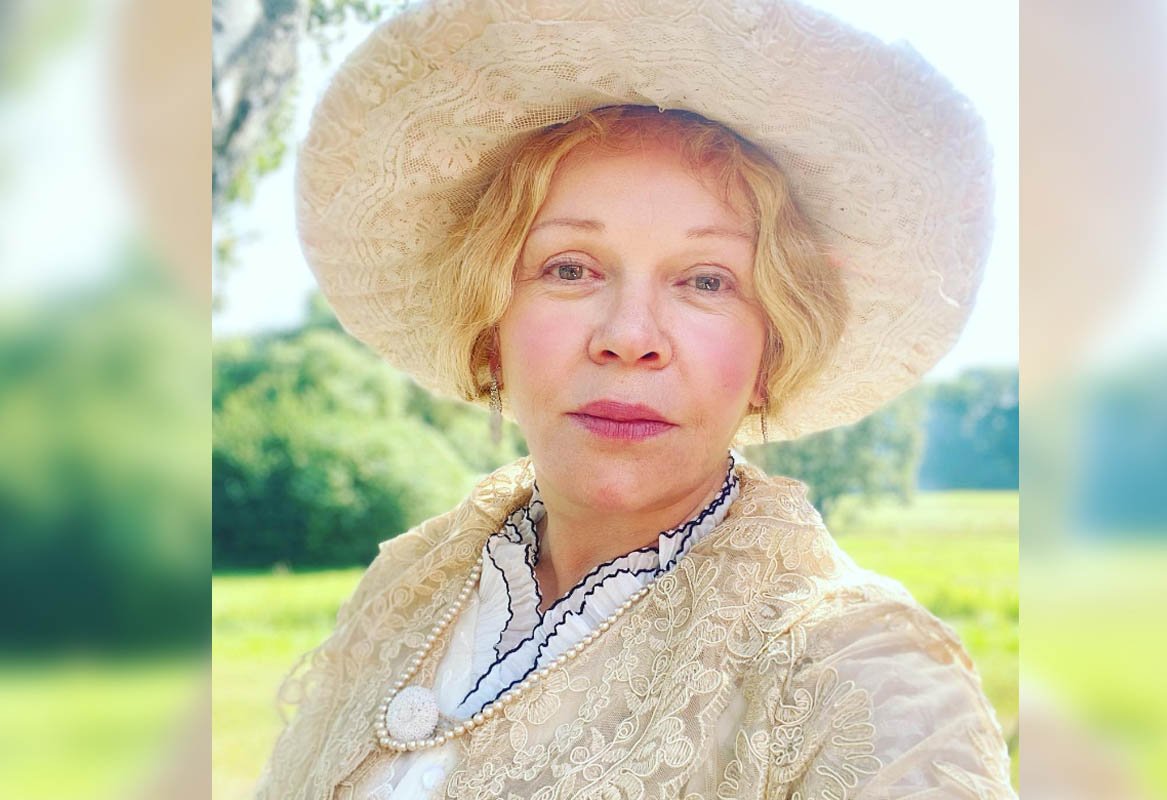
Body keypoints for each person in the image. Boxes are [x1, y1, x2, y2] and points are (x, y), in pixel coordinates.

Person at [257, 1, 1014, 797]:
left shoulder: (871, 682)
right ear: (491, 326)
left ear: (770, 353)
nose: (629, 336)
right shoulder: (405, 594)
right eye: (570, 268)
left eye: (706, 281)